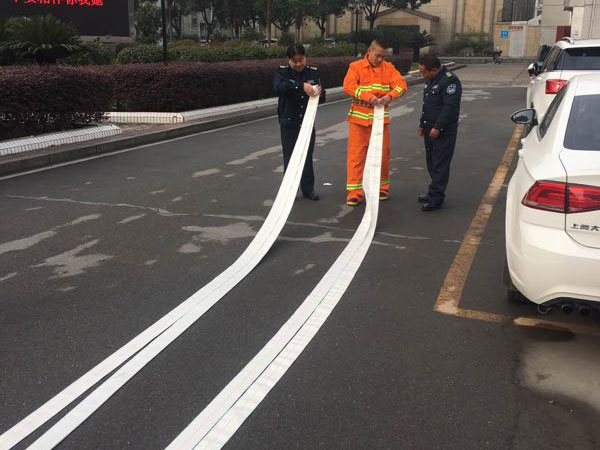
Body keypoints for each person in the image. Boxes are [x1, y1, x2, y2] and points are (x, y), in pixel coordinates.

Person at [342, 41, 407, 206]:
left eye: (383, 57)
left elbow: (401, 85)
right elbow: (348, 86)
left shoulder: (388, 68)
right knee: (356, 157)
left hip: (379, 120)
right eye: (378, 55)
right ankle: (354, 193)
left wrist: (390, 96)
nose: (380, 59)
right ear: (369, 51)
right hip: (358, 120)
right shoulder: (356, 67)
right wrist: (368, 97)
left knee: (382, 155)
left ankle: (382, 189)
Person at [273, 44, 325, 201]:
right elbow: (279, 87)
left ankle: (308, 189)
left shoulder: (313, 72)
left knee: (307, 157)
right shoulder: (282, 72)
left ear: (305, 58)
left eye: (301, 60)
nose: (298, 64)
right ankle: (289, 190)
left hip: (307, 122)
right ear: (289, 60)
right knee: (290, 157)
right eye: (294, 61)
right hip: (289, 122)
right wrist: (301, 86)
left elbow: (322, 97)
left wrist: (318, 92)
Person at [417, 54, 462, 211]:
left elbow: (450, 108)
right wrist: (422, 124)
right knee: (431, 162)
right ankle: (432, 192)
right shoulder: (431, 79)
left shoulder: (450, 81)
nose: (422, 75)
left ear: (434, 70)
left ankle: (436, 198)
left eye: (424, 72)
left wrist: (438, 127)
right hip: (429, 128)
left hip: (443, 131)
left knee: (440, 164)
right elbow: (427, 105)